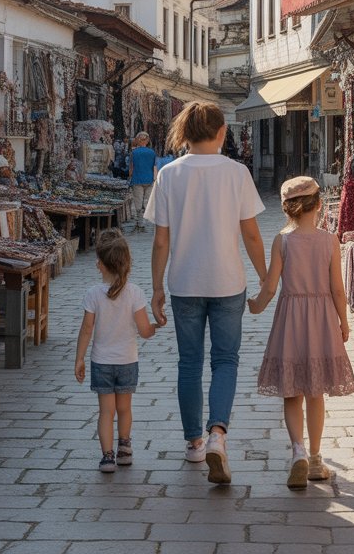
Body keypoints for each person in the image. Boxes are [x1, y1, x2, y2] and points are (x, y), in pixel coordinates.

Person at [147, 101, 267, 486]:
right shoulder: (236, 173)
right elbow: (250, 233)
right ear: (221, 133)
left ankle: (195, 444)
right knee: (226, 361)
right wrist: (266, 276)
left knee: (188, 364)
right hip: (228, 281)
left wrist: (155, 289)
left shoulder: (169, 175)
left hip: (184, 283)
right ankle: (218, 434)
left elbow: (161, 240)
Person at [248, 176, 354, 488]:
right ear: (319, 205)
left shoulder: (282, 240)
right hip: (321, 320)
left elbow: (270, 286)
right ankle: (317, 458)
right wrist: (344, 323)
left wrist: (255, 306)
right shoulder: (329, 241)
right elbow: (337, 288)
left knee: (291, 389)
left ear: (287, 209)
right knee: (316, 391)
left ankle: (297, 450)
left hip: (290, 320)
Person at [74, 229, 157, 473]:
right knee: (124, 409)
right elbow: (144, 331)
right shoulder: (135, 293)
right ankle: (125, 448)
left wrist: (79, 359)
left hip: (102, 362)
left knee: (105, 412)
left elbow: (86, 329)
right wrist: (155, 327)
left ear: (101, 264)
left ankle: (107, 457)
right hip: (127, 362)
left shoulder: (93, 294)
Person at [128, 132, 156, 233]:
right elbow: (154, 167)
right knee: (147, 201)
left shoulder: (134, 153)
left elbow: (131, 169)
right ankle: (147, 222)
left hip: (137, 179)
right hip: (149, 179)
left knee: (138, 202)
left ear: (138, 140)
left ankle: (140, 223)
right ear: (147, 141)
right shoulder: (152, 152)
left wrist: (130, 177)